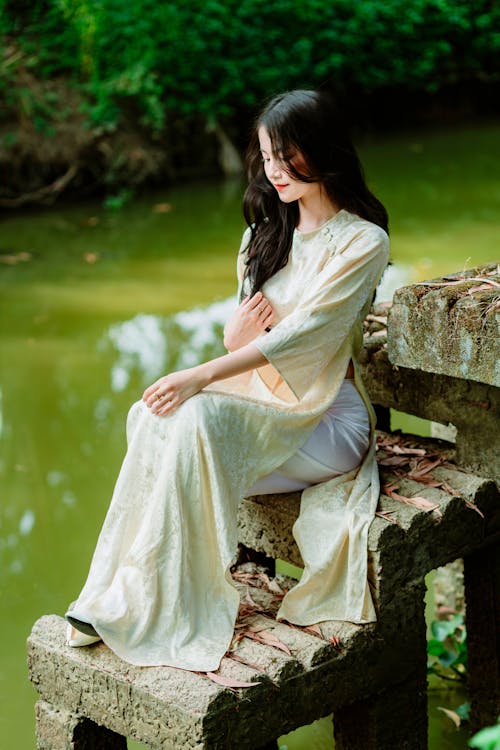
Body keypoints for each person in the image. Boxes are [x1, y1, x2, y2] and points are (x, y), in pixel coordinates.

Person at [65, 90, 389, 672]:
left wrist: (204, 370)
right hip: (262, 406)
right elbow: (247, 339)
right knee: (150, 416)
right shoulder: (261, 238)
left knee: (197, 412)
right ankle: (118, 594)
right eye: (267, 157)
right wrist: (230, 346)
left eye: (288, 155)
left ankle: (151, 603)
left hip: (325, 422)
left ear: (323, 149)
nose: (276, 171)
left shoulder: (362, 241)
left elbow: (302, 339)